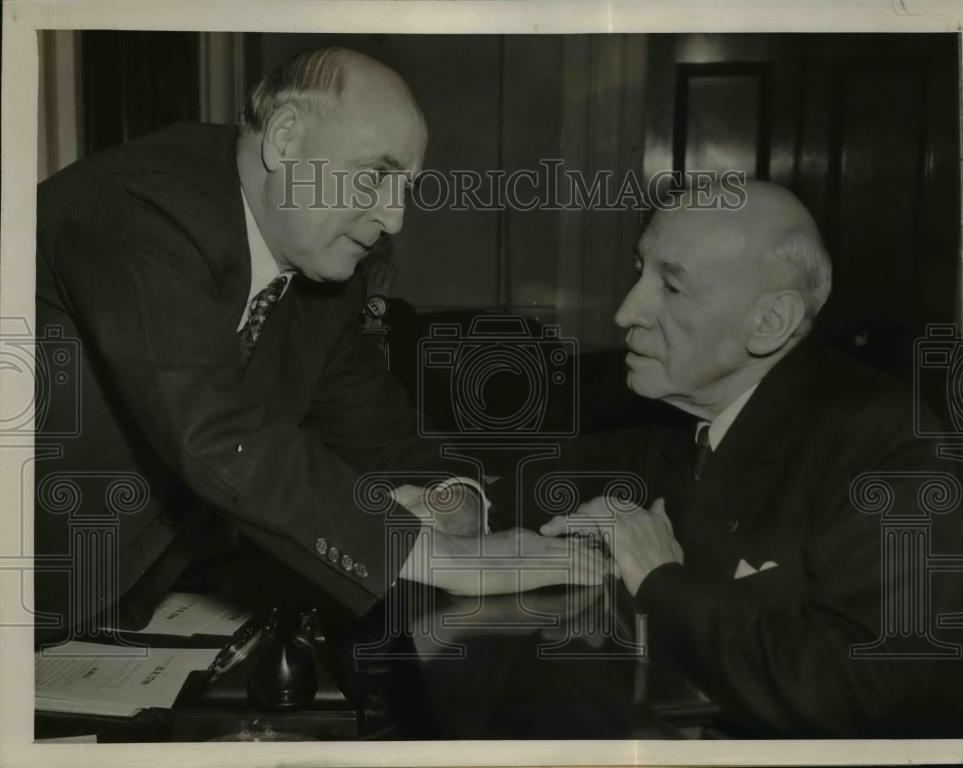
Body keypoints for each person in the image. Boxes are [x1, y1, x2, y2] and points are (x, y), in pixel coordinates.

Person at [34, 46, 601, 646]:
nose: (395, 219)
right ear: (284, 138)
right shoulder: (142, 205)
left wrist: (454, 504)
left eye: (405, 188)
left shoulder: (323, 283)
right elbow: (213, 430)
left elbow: (384, 441)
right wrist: (437, 558)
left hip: (107, 608)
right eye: (376, 175)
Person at [540, 180, 963, 737]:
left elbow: (864, 688)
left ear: (768, 323)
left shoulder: (881, 440)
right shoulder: (665, 399)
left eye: (671, 286)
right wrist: (463, 503)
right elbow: (528, 477)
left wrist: (661, 584)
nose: (625, 313)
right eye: (639, 271)